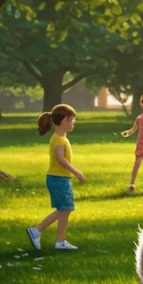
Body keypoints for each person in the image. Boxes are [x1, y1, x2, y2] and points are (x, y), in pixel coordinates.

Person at [26, 104, 86, 252]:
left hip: (60, 179)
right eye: (72, 120)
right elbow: (60, 159)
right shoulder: (58, 139)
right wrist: (77, 172)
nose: (74, 123)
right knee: (65, 208)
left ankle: (60, 242)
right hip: (58, 179)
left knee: (65, 209)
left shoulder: (60, 138)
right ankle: (36, 230)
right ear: (65, 119)